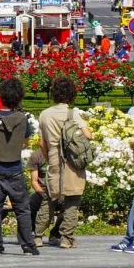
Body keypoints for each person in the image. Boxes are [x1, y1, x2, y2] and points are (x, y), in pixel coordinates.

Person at [0, 78, 38, 255]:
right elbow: (25, 142)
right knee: (22, 209)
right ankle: (28, 245)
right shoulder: (21, 119)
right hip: (14, 169)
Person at [36, 75, 92, 249]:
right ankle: (66, 238)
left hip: (53, 158)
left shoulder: (44, 114)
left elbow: (41, 142)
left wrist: (48, 157)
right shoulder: (72, 113)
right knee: (72, 200)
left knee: (49, 199)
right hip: (73, 161)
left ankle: (37, 236)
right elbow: (88, 135)